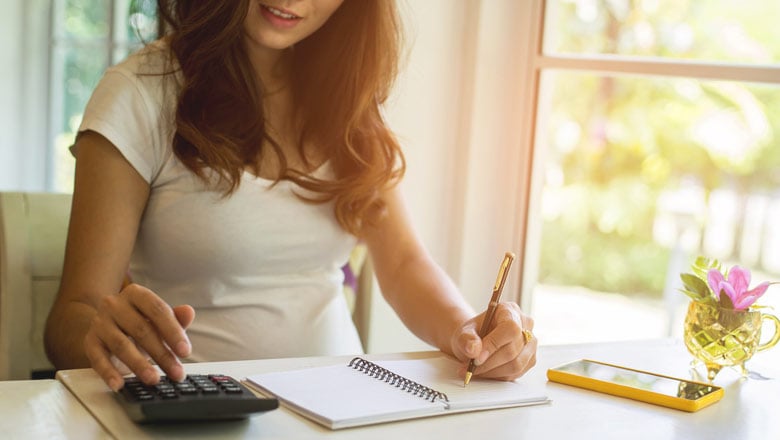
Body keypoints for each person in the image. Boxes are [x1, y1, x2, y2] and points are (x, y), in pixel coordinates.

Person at [44, 0, 537, 392]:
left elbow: (404, 264)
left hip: (342, 403)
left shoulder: (347, 97)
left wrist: (466, 333)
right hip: (200, 410)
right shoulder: (139, 93)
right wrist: (102, 336)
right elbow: (71, 315)